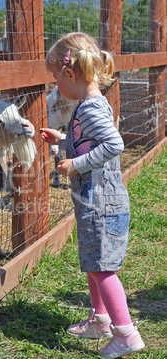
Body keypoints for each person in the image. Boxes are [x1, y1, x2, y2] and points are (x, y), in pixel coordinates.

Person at [40, 32, 145, 359]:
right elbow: (87, 143)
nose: (55, 84)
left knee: (103, 268)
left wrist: (76, 165)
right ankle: (100, 319)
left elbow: (114, 144)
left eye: (55, 77)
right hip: (94, 201)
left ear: (69, 74)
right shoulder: (87, 106)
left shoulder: (89, 109)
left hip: (102, 202)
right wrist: (60, 140)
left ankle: (126, 334)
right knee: (93, 262)